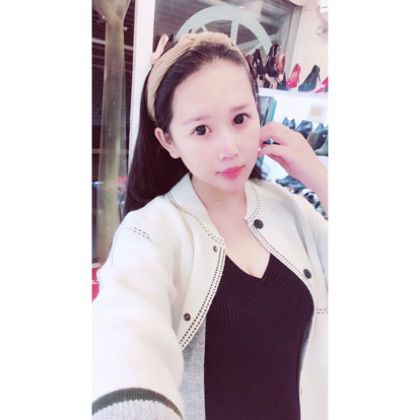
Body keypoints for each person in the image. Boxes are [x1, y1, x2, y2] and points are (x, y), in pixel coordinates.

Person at [92, 31, 328, 420]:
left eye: (240, 118)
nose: (230, 148)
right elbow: (124, 338)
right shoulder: (149, 232)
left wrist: (321, 179)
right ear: (168, 141)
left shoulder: (292, 210)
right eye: (201, 130)